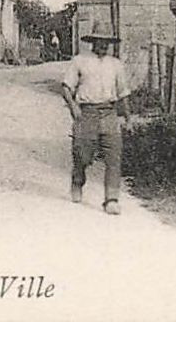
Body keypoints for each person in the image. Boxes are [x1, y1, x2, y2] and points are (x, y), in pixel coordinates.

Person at [59, 19, 131, 215]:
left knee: (114, 156)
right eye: (99, 41)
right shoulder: (80, 61)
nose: (103, 45)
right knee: (83, 154)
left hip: (109, 113)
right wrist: (73, 108)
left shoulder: (116, 65)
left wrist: (127, 117)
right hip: (87, 113)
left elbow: (123, 92)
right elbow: (66, 87)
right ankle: (77, 180)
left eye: (107, 42)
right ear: (92, 41)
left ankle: (111, 200)